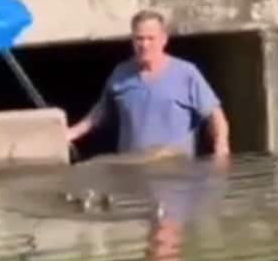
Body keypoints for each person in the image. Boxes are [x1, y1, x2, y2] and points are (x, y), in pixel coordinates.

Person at [66, 9, 231, 159]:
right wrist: (71, 133)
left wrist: (221, 146)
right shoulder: (120, 74)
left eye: (151, 38)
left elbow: (215, 115)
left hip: (177, 175)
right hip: (133, 174)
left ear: (163, 40)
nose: (144, 45)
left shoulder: (186, 73)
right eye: (139, 38)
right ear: (132, 40)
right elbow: (98, 114)